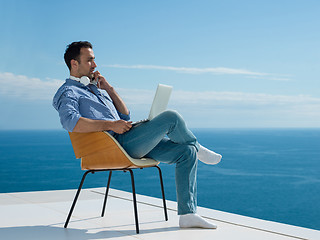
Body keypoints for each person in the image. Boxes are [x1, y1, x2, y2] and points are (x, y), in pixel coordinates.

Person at [53, 41, 222, 229]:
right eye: (90, 60)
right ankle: (199, 147)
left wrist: (109, 89)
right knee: (171, 117)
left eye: (94, 60)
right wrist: (111, 125)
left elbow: (125, 115)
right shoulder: (68, 92)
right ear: (74, 63)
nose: (95, 65)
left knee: (186, 152)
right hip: (114, 146)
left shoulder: (94, 88)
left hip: (129, 138)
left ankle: (188, 214)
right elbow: (70, 121)